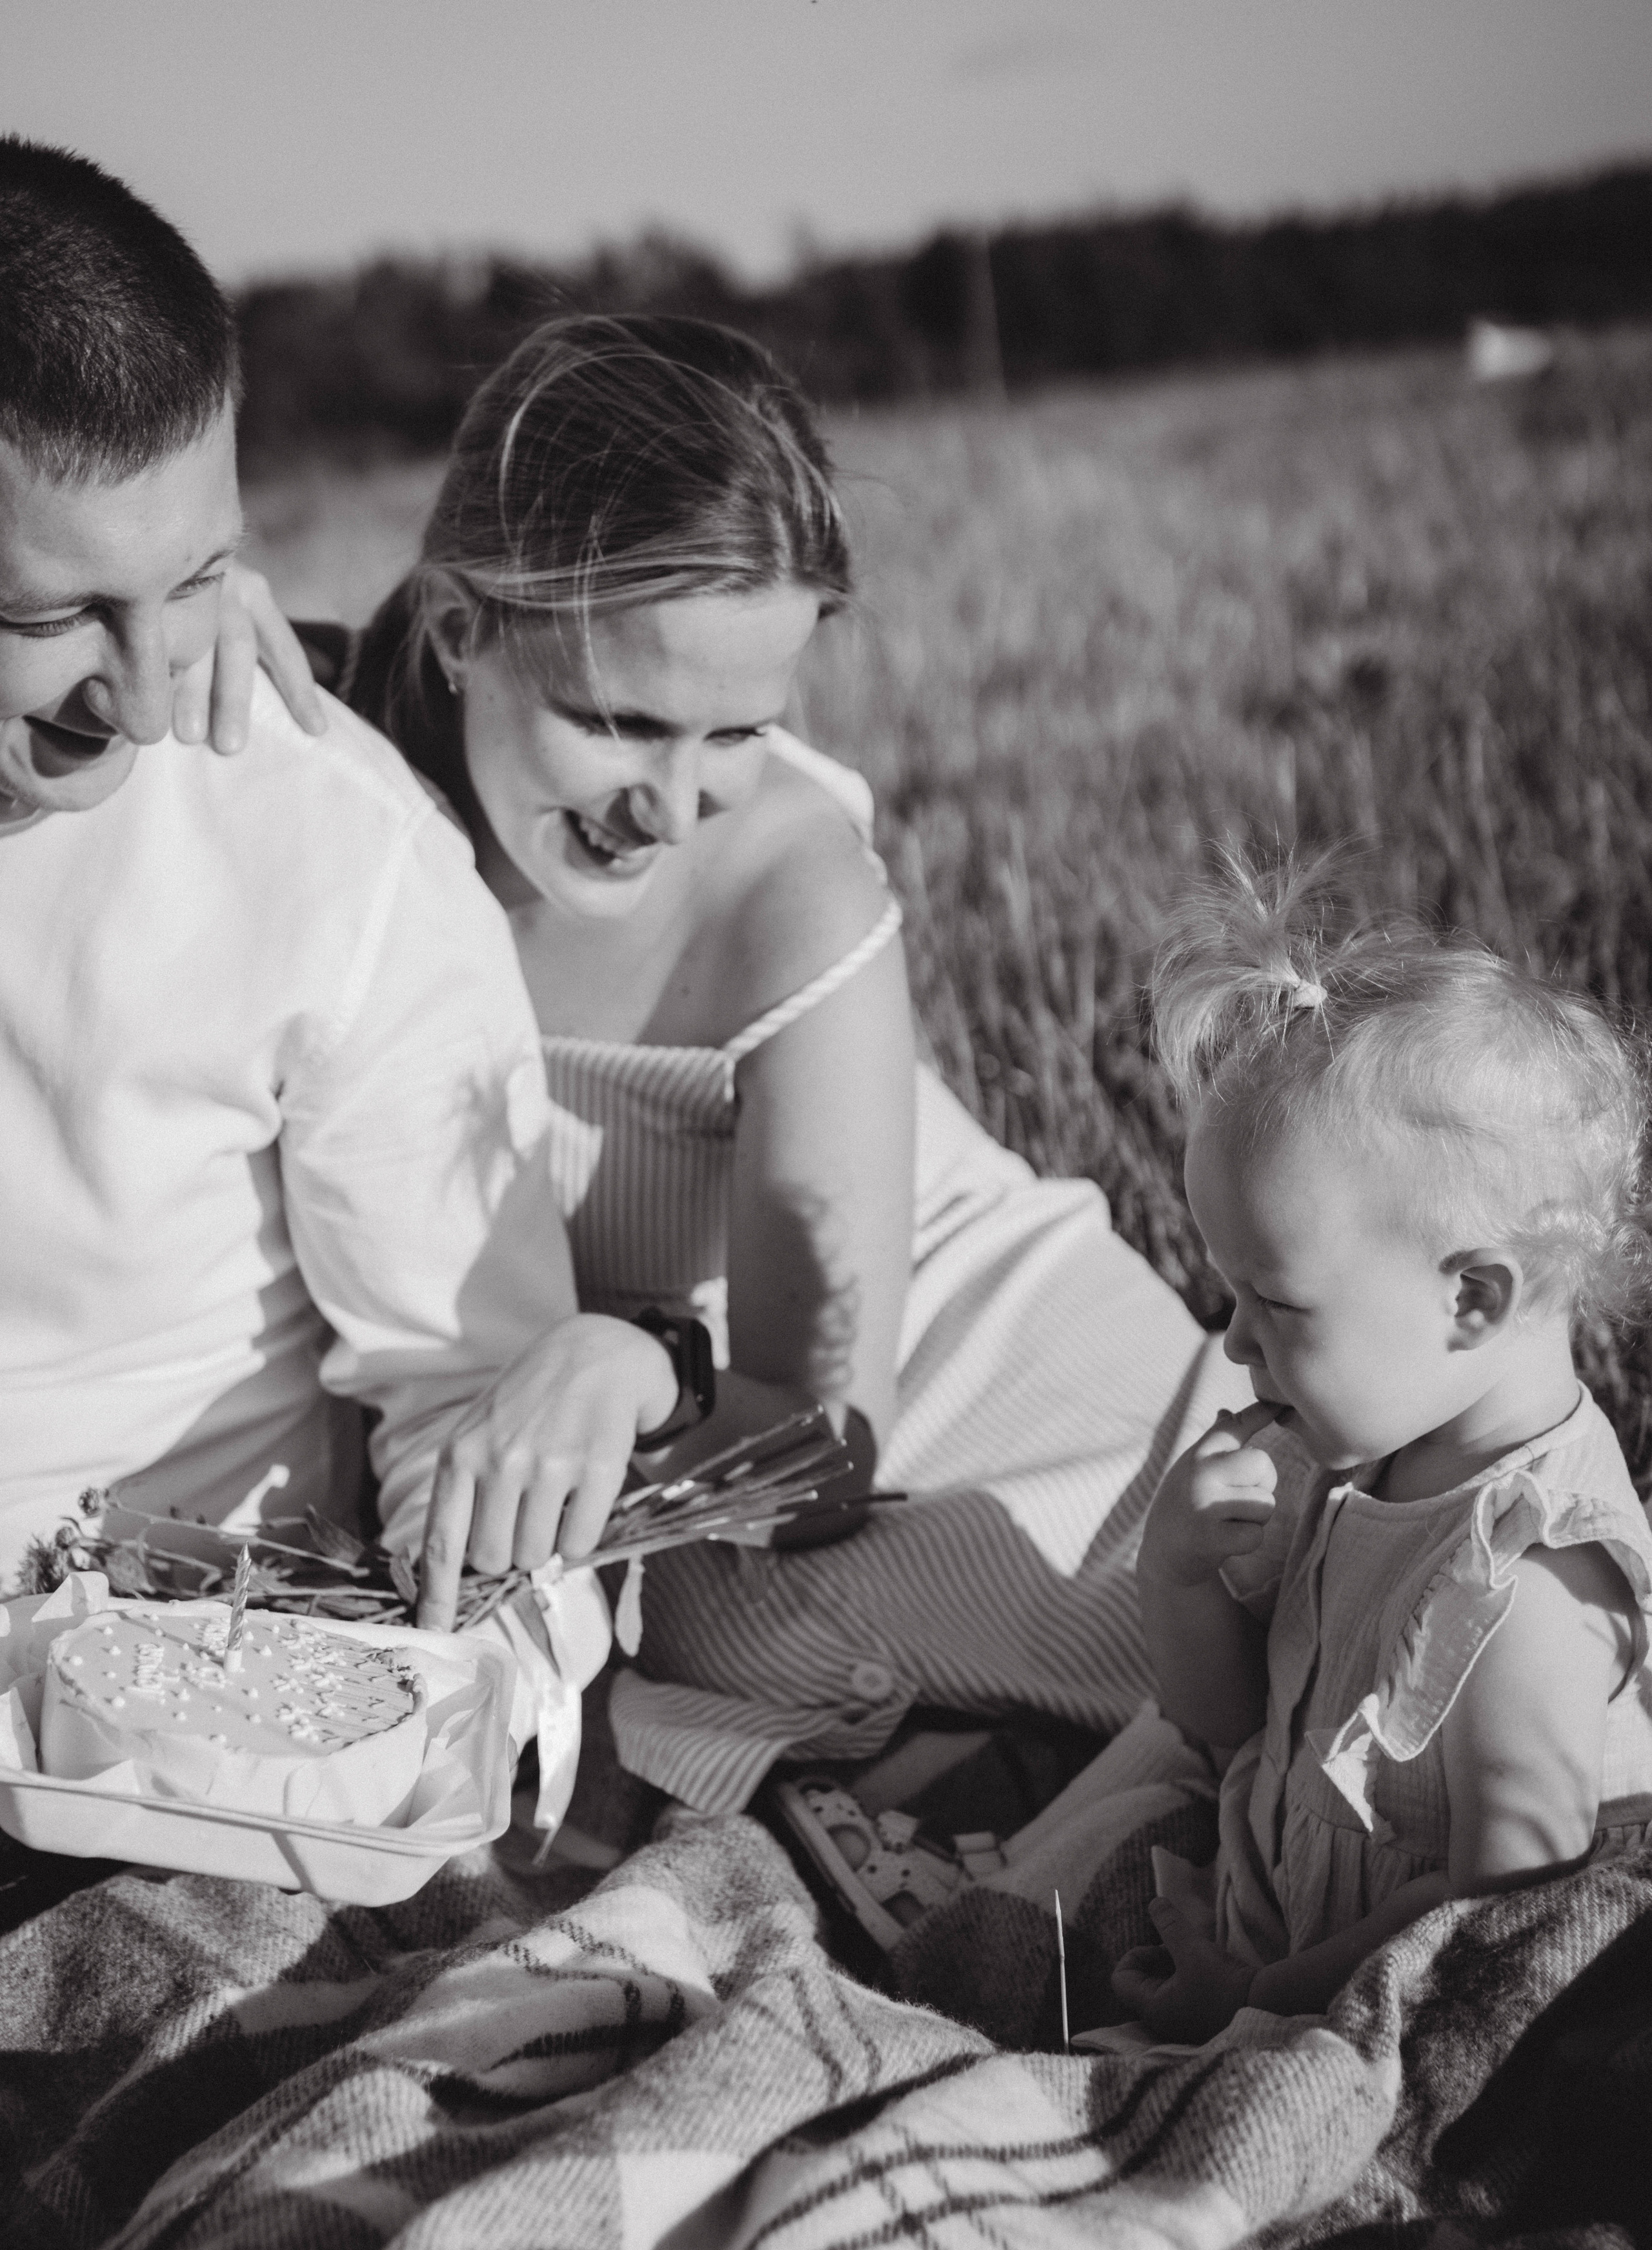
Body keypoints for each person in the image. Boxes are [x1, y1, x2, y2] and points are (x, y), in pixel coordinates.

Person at [297, 311, 1242, 1811]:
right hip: (692, 1485)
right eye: (618, 720)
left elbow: (821, 1448)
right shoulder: (337, 774)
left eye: (735, 730)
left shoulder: (791, 887)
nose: (669, 808)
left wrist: (645, 1363)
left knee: (1289, 1703)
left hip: (988, 1410)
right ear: (463, 623)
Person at [0, 143, 677, 1633]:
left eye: (191, 581)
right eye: (53, 615)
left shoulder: (331, 847)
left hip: (152, 1678)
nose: (143, 693)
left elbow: (465, 1402)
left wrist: (455, 1641)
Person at [1110, 868, 1652, 2042]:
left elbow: (1502, 1920)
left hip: (1391, 2022)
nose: (1234, 1339)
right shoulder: (1367, 1455)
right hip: (1270, 1934)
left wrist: (1253, 2004)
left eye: (1277, 1303)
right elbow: (1230, 1723)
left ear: (1471, 1301)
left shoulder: (1527, 1592)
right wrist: (1181, 1576)